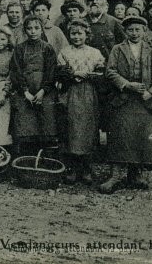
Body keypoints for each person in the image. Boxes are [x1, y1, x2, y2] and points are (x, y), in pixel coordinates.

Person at [100, 16, 152, 193]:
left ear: (144, 31)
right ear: (125, 32)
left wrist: (150, 92)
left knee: (140, 138)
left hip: (143, 103)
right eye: (130, 30)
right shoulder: (117, 49)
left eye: (138, 30)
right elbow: (110, 71)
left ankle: (135, 175)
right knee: (120, 136)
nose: (134, 33)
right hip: (122, 100)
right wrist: (127, 84)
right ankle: (115, 176)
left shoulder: (150, 51)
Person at [55, 20, 105, 184]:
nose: (76, 37)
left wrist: (87, 75)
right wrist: (73, 74)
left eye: (80, 33)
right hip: (70, 93)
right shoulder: (64, 52)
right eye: (73, 34)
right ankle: (72, 168)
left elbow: (101, 73)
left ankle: (86, 168)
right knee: (70, 128)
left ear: (87, 35)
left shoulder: (95, 52)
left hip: (88, 93)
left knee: (88, 129)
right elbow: (60, 72)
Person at [9, 15, 58, 154]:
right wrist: (25, 91)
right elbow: (16, 71)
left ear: (42, 29)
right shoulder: (19, 49)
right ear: (25, 30)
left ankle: (45, 160)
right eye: (29, 28)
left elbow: (51, 71)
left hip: (44, 93)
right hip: (25, 93)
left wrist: (43, 90)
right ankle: (26, 159)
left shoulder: (48, 48)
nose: (33, 31)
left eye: (36, 28)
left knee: (46, 125)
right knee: (26, 127)